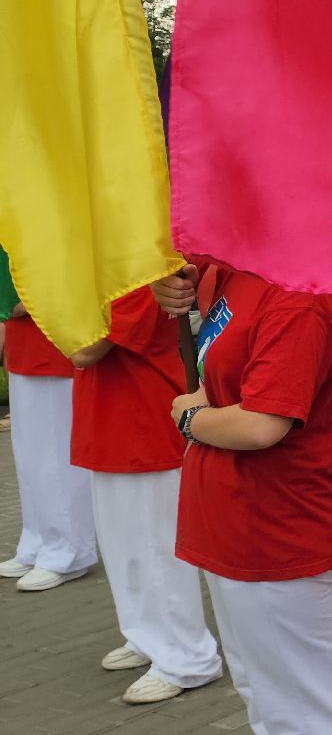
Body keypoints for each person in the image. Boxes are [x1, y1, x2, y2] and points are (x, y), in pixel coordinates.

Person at [152, 261, 332, 735]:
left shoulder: (298, 291)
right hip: (236, 516)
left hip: (273, 520)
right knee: (270, 696)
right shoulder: (239, 269)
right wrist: (174, 291)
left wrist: (190, 418)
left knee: (309, 707)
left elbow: (262, 423)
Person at [66, 290, 224, 704]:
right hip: (110, 415)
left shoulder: (137, 271)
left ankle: (186, 656)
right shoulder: (110, 270)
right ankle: (148, 636)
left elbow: (84, 349)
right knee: (124, 545)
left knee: (154, 547)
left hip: (142, 418)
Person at [1, 301, 97, 592]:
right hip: (23, 340)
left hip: (52, 338)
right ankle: (37, 540)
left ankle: (69, 550)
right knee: (30, 455)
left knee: (55, 457)